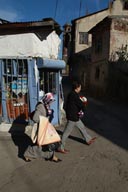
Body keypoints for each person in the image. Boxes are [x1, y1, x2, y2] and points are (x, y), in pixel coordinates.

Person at [57, 80, 96, 154]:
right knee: (66, 133)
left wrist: (81, 102)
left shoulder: (72, 94)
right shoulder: (74, 95)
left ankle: (88, 140)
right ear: (77, 88)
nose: (80, 88)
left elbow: (75, 103)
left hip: (74, 115)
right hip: (72, 117)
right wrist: (84, 103)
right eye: (80, 87)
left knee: (82, 127)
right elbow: (80, 104)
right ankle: (60, 147)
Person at [24, 92, 62, 163]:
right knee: (40, 144)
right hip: (40, 128)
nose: (51, 103)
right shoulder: (40, 106)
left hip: (44, 127)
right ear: (47, 99)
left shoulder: (45, 105)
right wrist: (44, 119)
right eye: (50, 101)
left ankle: (51, 156)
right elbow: (35, 118)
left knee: (46, 142)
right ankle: (27, 154)